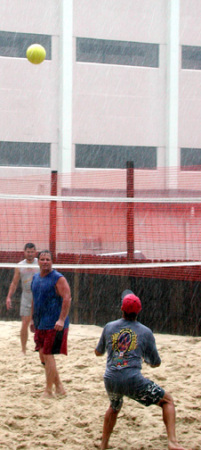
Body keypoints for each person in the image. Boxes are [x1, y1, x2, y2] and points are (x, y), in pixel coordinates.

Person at [95, 290, 190, 450]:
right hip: (131, 379)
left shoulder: (109, 327)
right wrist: (146, 361)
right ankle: (172, 442)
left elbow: (98, 352)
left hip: (110, 379)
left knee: (114, 407)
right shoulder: (145, 332)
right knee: (167, 401)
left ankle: (104, 444)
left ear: (121, 309)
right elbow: (156, 362)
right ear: (139, 311)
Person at [31, 250, 71, 398]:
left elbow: (67, 298)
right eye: (42, 259)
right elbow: (34, 300)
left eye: (48, 259)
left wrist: (61, 319)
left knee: (48, 355)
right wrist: (32, 319)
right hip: (41, 322)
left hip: (54, 323)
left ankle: (48, 391)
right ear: (38, 261)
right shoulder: (35, 278)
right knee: (42, 356)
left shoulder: (58, 278)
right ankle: (59, 387)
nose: (45, 261)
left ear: (52, 261)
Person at [6, 242, 39, 354]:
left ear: (35, 252)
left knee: (41, 323)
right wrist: (9, 297)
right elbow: (14, 283)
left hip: (39, 295)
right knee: (25, 323)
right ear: (24, 252)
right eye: (28, 252)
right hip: (26, 295)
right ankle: (23, 349)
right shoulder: (20, 266)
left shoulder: (40, 263)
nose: (30, 254)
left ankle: (39, 347)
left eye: (32, 252)